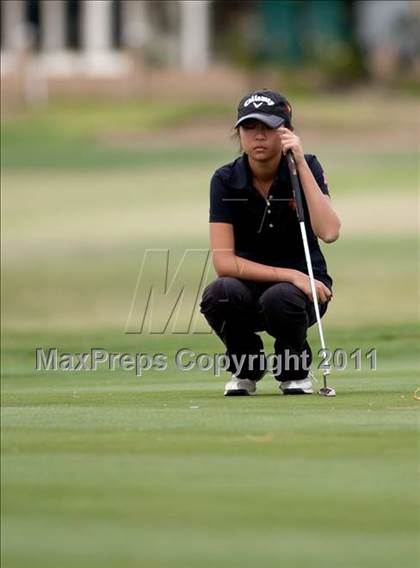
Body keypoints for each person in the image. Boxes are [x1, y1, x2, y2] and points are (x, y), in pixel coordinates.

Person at [199, 89, 341, 396]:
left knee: (280, 298)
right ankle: (246, 368)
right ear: (239, 133)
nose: (258, 136)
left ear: (287, 132)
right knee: (218, 294)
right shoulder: (225, 179)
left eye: (269, 127)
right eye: (250, 128)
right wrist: (293, 276)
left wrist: (301, 164)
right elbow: (224, 264)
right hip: (252, 286)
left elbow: (329, 232)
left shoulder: (307, 167)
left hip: (302, 296)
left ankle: (294, 371)